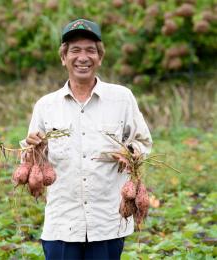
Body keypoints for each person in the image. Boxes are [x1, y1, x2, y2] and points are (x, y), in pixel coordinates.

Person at [24, 18, 152, 260]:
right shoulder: (46, 105)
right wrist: (33, 149)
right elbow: (30, 161)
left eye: (90, 50)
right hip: (62, 223)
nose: (83, 57)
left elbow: (143, 143)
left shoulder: (122, 98)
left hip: (107, 222)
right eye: (75, 50)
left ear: (100, 57)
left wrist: (131, 152)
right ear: (64, 58)